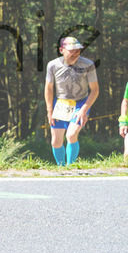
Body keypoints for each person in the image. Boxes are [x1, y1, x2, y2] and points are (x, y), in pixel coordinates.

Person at [44, 37, 99, 166]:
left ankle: (70, 167)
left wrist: (84, 109)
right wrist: (49, 110)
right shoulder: (53, 65)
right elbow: (48, 88)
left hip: (81, 102)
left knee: (71, 135)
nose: (75, 54)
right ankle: (61, 168)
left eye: (78, 50)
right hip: (60, 103)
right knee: (56, 141)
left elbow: (95, 90)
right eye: (71, 51)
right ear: (61, 50)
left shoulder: (88, 64)